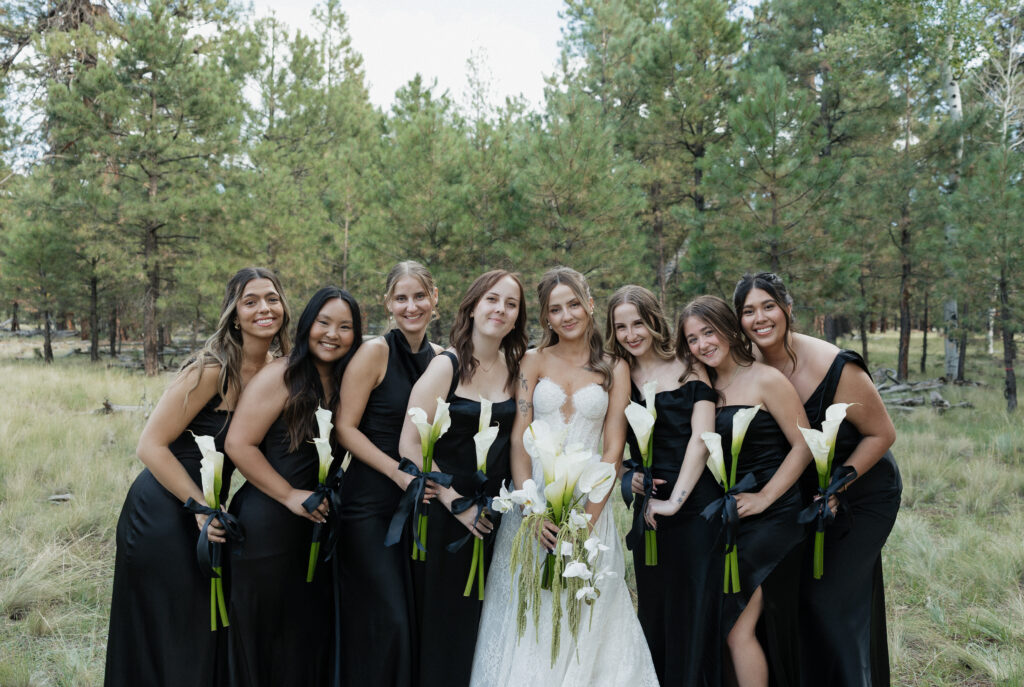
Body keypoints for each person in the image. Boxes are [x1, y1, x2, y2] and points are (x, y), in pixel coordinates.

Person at [471, 266, 659, 687]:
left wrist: (587, 521)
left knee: (585, 619)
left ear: (590, 304)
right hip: (534, 501)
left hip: (589, 505)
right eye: (555, 309)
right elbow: (519, 439)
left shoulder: (614, 367)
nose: (567, 315)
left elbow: (613, 449)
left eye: (574, 304)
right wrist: (532, 509)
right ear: (546, 317)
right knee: (530, 614)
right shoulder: (533, 360)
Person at [105, 267, 290, 687]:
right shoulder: (210, 370)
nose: (264, 308)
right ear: (234, 314)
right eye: (250, 301)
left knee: (202, 629)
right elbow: (150, 445)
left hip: (209, 514)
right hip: (163, 509)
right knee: (172, 627)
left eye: (272, 298)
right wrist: (200, 507)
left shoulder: (279, 371)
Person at [733, 272, 901, 687]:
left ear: (788, 309)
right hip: (803, 500)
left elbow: (882, 434)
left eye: (768, 306)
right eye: (748, 311)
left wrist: (836, 488)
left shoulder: (836, 366)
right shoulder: (745, 364)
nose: (760, 318)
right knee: (793, 601)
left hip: (861, 492)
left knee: (831, 602)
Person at [224, 286, 361, 687]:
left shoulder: (346, 380)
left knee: (302, 637)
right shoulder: (282, 374)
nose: (332, 334)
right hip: (267, 525)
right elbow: (238, 444)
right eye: (323, 323)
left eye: (345, 327)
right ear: (306, 325)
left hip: (315, 524)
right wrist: (288, 495)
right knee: (265, 634)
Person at [398, 270, 528, 687]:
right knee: (445, 627)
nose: (500, 309)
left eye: (511, 304)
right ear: (472, 307)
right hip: (444, 516)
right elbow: (410, 445)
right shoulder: (446, 366)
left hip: (494, 517)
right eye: (492, 299)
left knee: (482, 629)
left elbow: (520, 443)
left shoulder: (516, 368)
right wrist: (456, 503)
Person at [680, 295, 811, 687]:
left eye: (708, 332)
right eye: (692, 339)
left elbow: (804, 445)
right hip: (730, 515)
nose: (702, 344)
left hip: (773, 515)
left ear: (728, 328)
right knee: (723, 623)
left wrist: (766, 497)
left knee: (737, 627)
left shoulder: (765, 379)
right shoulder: (703, 386)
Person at [335, 261, 442, 687]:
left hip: (419, 505)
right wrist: (399, 474)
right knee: (388, 618)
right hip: (369, 503)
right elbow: (345, 428)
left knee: (413, 616)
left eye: (419, 296)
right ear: (388, 304)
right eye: (401, 298)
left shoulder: (440, 359)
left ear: (435, 298)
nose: (411, 306)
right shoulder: (375, 352)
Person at [608, 285, 722, 687]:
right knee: (655, 609)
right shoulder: (619, 375)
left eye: (638, 323)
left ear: (654, 320)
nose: (630, 334)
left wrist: (675, 501)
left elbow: (701, 439)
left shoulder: (690, 365)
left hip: (694, 506)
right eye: (621, 327)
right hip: (649, 514)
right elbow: (611, 445)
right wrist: (629, 476)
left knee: (693, 609)